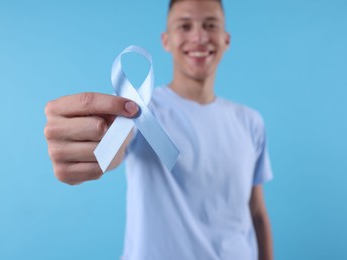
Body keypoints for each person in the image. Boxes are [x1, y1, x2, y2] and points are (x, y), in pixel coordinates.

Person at [44, 0, 274, 259]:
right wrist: (94, 148)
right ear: (166, 40)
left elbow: (256, 212)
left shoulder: (251, 121)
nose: (198, 36)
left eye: (210, 25)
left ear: (226, 39)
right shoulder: (140, 111)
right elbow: (113, 149)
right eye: (184, 26)